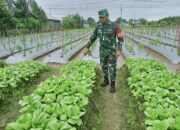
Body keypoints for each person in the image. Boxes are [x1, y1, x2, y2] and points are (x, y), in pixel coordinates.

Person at [84, 9, 124, 93]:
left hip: (112, 51)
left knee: (112, 68)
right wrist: (87, 47)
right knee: (104, 66)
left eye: (102, 17)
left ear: (107, 16)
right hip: (102, 51)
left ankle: (112, 85)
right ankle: (106, 80)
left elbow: (121, 39)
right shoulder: (98, 26)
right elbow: (93, 37)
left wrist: (119, 50)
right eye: (100, 17)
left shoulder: (115, 26)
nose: (101, 19)